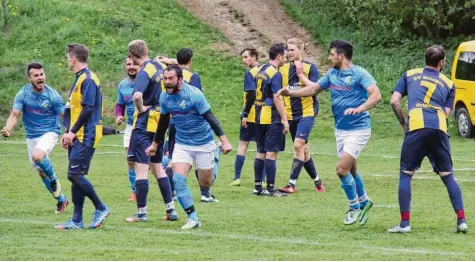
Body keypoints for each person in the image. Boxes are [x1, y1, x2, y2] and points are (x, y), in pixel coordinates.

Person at [279, 40, 381, 225]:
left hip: (359, 129)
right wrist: (290, 94)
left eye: (332, 54)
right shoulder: (333, 74)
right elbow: (313, 89)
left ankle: (354, 207)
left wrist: (360, 108)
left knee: (341, 170)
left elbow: (376, 94)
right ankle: (365, 201)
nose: (329, 57)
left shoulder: (359, 73)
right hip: (341, 130)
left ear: (341, 56)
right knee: (351, 170)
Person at [388, 45, 468, 233]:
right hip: (439, 126)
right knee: (448, 176)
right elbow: (447, 113)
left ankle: (405, 224)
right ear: (442, 63)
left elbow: (394, 101)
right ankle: (462, 221)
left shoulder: (409, 74)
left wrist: (403, 123)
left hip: (416, 125)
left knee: (406, 174)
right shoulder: (449, 83)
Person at [146, 65, 233, 229]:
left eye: (171, 79)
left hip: (204, 143)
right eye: (165, 78)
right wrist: (154, 144)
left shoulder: (194, 95)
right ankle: (193, 218)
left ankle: (215, 153)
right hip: (183, 144)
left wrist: (225, 140)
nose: (167, 82)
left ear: (180, 79)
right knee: (178, 179)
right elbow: (163, 123)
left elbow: (211, 119)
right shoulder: (164, 97)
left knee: (206, 183)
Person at [1, 62, 68, 214]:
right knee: (40, 171)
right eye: (36, 75)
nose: (40, 78)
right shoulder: (23, 94)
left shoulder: (53, 96)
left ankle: (54, 180)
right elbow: (14, 114)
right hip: (31, 136)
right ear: (29, 78)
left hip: (50, 132)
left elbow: (64, 116)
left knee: (37, 156)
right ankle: (61, 200)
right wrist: (8, 128)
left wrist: (67, 131)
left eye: (42, 74)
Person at [55, 43, 110, 230]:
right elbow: (73, 109)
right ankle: (77, 220)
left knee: (74, 174)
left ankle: (101, 207)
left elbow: (88, 109)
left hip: (87, 133)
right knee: (74, 175)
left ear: (73, 58)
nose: (67, 62)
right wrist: (67, 131)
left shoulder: (88, 79)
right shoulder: (80, 78)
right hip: (76, 134)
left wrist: (72, 131)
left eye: (67, 58)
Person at [124, 39, 177, 223]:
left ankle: (141, 213)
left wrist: (140, 109)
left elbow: (137, 95)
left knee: (141, 169)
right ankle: (171, 211)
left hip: (145, 124)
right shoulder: (160, 66)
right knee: (158, 169)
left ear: (132, 55)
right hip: (160, 122)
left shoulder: (144, 71)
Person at [278, 38, 325, 194]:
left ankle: (291, 185)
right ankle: (318, 182)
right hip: (290, 114)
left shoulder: (310, 67)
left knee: (298, 146)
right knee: (304, 151)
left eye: (292, 50)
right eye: (288, 50)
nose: (289, 52)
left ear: (300, 50)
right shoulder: (282, 68)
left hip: (307, 113)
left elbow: (316, 88)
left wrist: (300, 74)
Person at [252, 43, 290, 197]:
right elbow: (277, 98)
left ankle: (257, 187)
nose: (286, 59)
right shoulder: (275, 73)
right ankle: (271, 188)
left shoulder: (261, 70)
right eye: (285, 56)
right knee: (271, 153)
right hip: (271, 117)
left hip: (258, 115)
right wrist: (284, 119)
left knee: (260, 151)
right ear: (279, 56)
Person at [229, 47, 265, 186]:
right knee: (262, 148)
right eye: (242, 58)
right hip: (264, 115)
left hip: (250, 115)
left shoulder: (250, 73)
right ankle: (262, 180)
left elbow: (251, 94)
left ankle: (237, 178)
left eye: (246, 57)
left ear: (254, 56)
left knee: (243, 144)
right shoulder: (267, 71)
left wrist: (245, 113)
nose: (243, 60)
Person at [115, 57, 139, 201]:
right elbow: (120, 104)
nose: (131, 67)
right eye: (128, 64)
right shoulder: (122, 85)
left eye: (134, 64)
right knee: (130, 159)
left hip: (147, 125)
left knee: (154, 161)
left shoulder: (146, 81)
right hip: (131, 126)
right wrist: (118, 116)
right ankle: (136, 192)